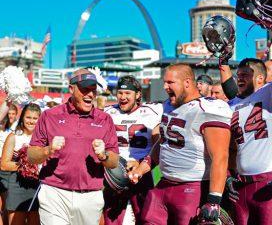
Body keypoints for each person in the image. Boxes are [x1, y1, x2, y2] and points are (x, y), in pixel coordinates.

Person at [218, 0, 272, 224]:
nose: (239, 79)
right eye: (238, 75)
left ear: (262, 77)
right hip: (241, 185)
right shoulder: (235, 104)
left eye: (246, 75)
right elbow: (229, 147)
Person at [128, 63, 233, 225]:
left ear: (187, 83)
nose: (165, 87)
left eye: (170, 82)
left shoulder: (208, 108)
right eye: (164, 82)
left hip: (192, 188)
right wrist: (142, 169)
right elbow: (164, 143)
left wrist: (214, 199)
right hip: (163, 185)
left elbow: (220, 155)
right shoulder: (169, 105)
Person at [27, 68, 119, 225]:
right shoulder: (50, 116)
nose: (90, 94)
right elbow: (31, 156)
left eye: (93, 90)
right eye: (85, 89)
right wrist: (48, 149)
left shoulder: (105, 119)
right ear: (71, 88)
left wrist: (103, 155)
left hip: (90, 196)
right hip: (54, 193)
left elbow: (114, 162)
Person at [103, 75, 162, 225]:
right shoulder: (107, 113)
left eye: (127, 93)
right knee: (111, 219)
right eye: (120, 93)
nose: (123, 97)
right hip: (114, 173)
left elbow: (159, 146)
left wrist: (142, 165)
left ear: (138, 94)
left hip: (142, 172)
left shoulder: (153, 111)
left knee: (146, 217)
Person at [1, 103, 41, 225]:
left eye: (35, 118)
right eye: (28, 117)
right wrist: (24, 166)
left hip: (38, 186)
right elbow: (3, 164)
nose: (31, 121)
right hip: (17, 185)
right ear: (22, 117)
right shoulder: (13, 137)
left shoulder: (44, 139)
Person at [0, 102, 18, 225]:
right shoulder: (2, 128)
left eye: (13, 114)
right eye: (9, 113)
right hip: (1, 166)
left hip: (10, 167)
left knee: (8, 204)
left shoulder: (18, 128)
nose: (10, 116)